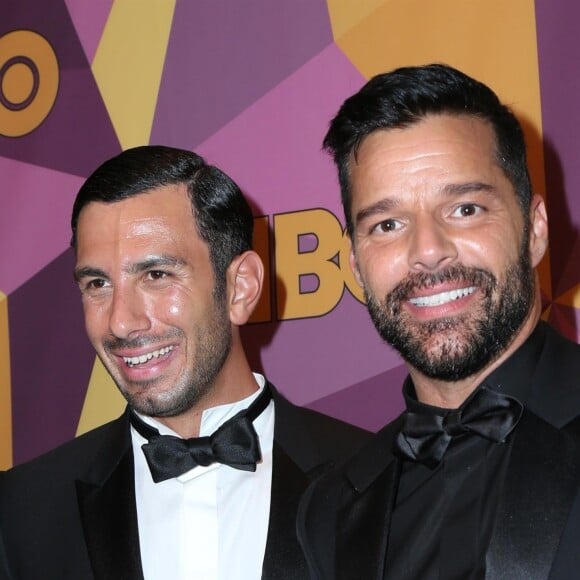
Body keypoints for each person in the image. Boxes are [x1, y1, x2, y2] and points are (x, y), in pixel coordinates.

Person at [0, 145, 369, 580]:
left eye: (156, 276)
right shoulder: (21, 511)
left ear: (240, 288)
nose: (120, 322)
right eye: (98, 283)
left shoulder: (373, 481)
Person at [297, 64, 580, 579]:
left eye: (465, 209)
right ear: (357, 266)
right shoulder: (330, 509)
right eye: (387, 224)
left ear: (535, 230)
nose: (427, 251)